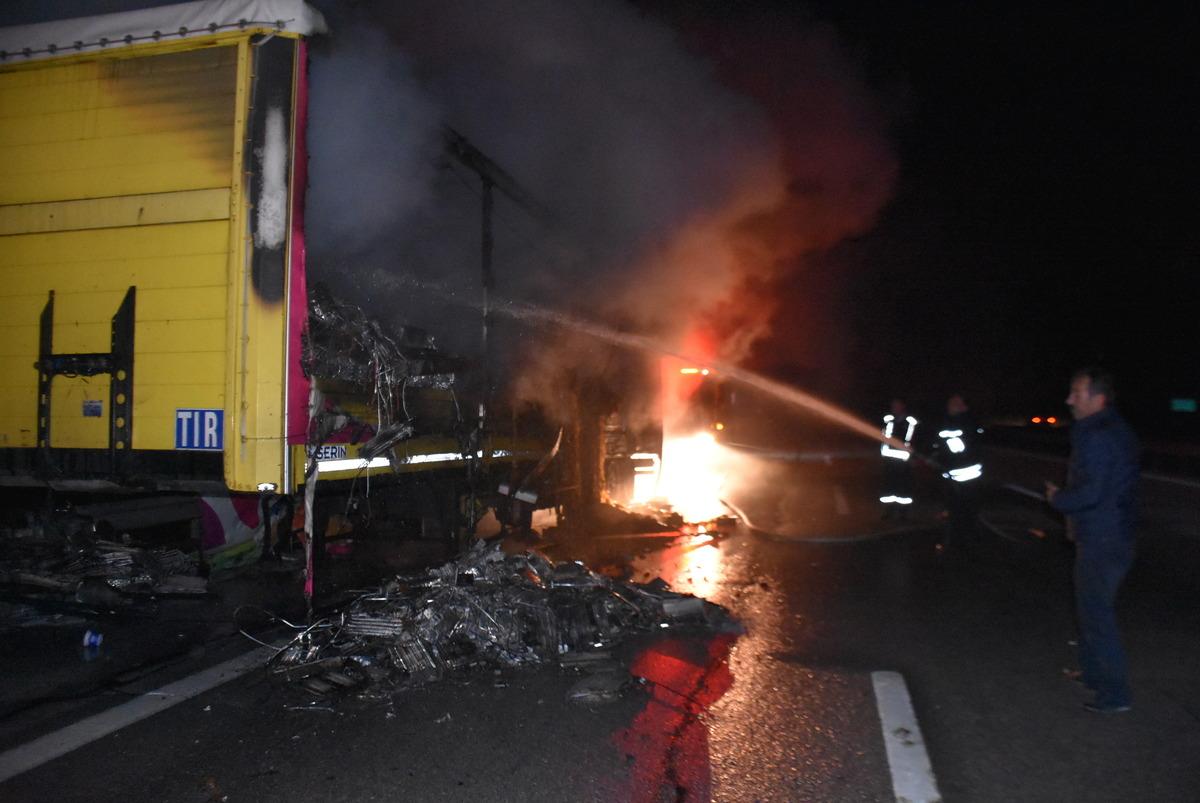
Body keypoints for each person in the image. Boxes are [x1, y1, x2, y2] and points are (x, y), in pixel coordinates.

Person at [1045, 368, 1139, 714]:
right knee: (1089, 610)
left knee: (1097, 616)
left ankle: (1115, 694)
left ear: (1098, 399)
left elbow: (1093, 492)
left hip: (1103, 539)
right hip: (1109, 535)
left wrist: (1059, 499)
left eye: (1077, 393)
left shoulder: (1100, 436)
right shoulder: (1108, 430)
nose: (1069, 400)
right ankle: (1092, 674)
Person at [934, 394, 984, 547]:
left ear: (963, 407)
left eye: (956, 404)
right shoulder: (946, 422)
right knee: (953, 509)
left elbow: (969, 446)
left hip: (967, 476)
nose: (952, 407)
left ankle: (967, 539)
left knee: (966, 508)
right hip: (951, 475)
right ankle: (954, 538)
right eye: (950, 403)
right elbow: (941, 447)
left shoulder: (968, 423)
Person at [880, 398, 917, 520]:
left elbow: (913, 441)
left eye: (897, 405)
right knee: (889, 487)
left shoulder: (910, 422)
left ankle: (903, 513)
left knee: (903, 488)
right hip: (890, 460)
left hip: (903, 461)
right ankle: (889, 511)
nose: (894, 408)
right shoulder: (888, 421)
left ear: (902, 407)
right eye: (893, 406)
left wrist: (913, 458)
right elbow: (883, 437)